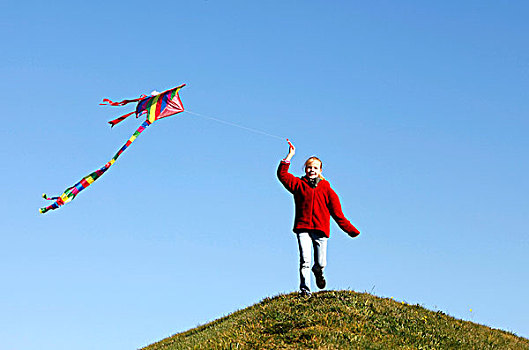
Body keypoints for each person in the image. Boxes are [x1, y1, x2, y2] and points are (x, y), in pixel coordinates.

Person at [277, 140, 360, 296]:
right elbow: (282, 175)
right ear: (305, 169)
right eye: (309, 167)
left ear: (320, 170)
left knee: (321, 263)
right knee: (305, 261)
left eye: (315, 168)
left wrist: (351, 230)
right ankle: (305, 291)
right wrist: (290, 155)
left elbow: (337, 213)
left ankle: (318, 272)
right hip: (303, 229)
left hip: (320, 230)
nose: (311, 170)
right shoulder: (298, 185)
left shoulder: (327, 189)